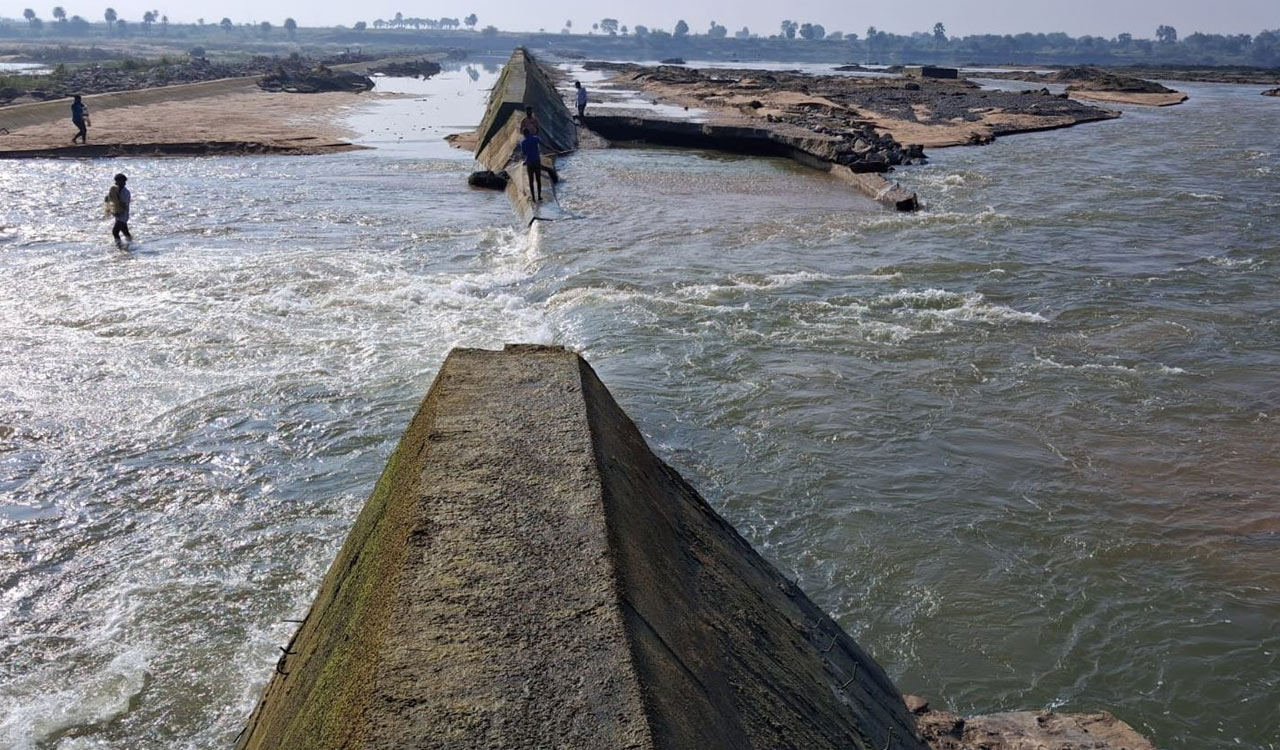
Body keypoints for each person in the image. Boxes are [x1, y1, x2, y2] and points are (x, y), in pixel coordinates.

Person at [106, 173, 132, 247]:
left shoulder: (125, 192)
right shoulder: (115, 190)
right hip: (118, 213)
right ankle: (130, 243)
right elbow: (109, 198)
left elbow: (124, 204)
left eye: (122, 182)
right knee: (125, 231)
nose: (120, 183)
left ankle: (119, 246)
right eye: (118, 182)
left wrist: (119, 212)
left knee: (115, 232)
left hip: (123, 214)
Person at [521, 132, 542, 202]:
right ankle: (539, 196)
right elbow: (543, 144)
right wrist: (554, 150)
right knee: (538, 179)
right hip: (536, 161)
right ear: (530, 133)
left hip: (529, 162)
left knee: (531, 181)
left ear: (524, 134)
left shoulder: (523, 142)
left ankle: (533, 198)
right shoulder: (535, 138)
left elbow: (524, 153)